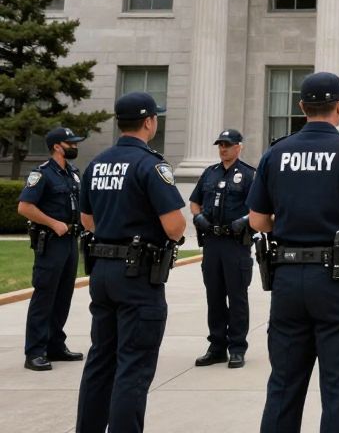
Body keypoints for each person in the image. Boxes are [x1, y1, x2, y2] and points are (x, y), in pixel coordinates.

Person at [247, 71, 339, 433]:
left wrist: (290, 226)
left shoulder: (275, 153)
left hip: (287, 280)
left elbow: (256, 220)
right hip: (338, 280)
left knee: (283, 384)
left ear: (302, 107)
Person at [76, 92, 187, 433]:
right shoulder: (150, 165)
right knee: (133, 366)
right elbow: (175, 226)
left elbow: (86, 220)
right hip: (138, 276)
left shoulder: (97, 163)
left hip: (103, 270)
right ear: (150, 121)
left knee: (100, 360)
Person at [18, 126, 87, 371]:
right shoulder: (42, 174)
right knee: (45, 296)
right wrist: (53, 223)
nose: (76, 146)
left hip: (70, 241)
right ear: (58, 146)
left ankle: (55, 345)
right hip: (51, 242)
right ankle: (35, 352)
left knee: (63, 295)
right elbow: (25, 207)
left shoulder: (73, 173)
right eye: (71, 143)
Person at [189, 128, 255, 368]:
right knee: (214, 296)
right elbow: (195, 201)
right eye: (220, 145)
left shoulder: (249, 175)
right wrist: (197, 218)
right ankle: (216, 346)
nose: (223, 149)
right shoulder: (209, 173)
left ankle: (237, 347)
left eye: (227, 145)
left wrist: (246, 220)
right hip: (212, 243)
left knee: (237, 297)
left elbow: (260, 207)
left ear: (239, 147)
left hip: (235, 244)